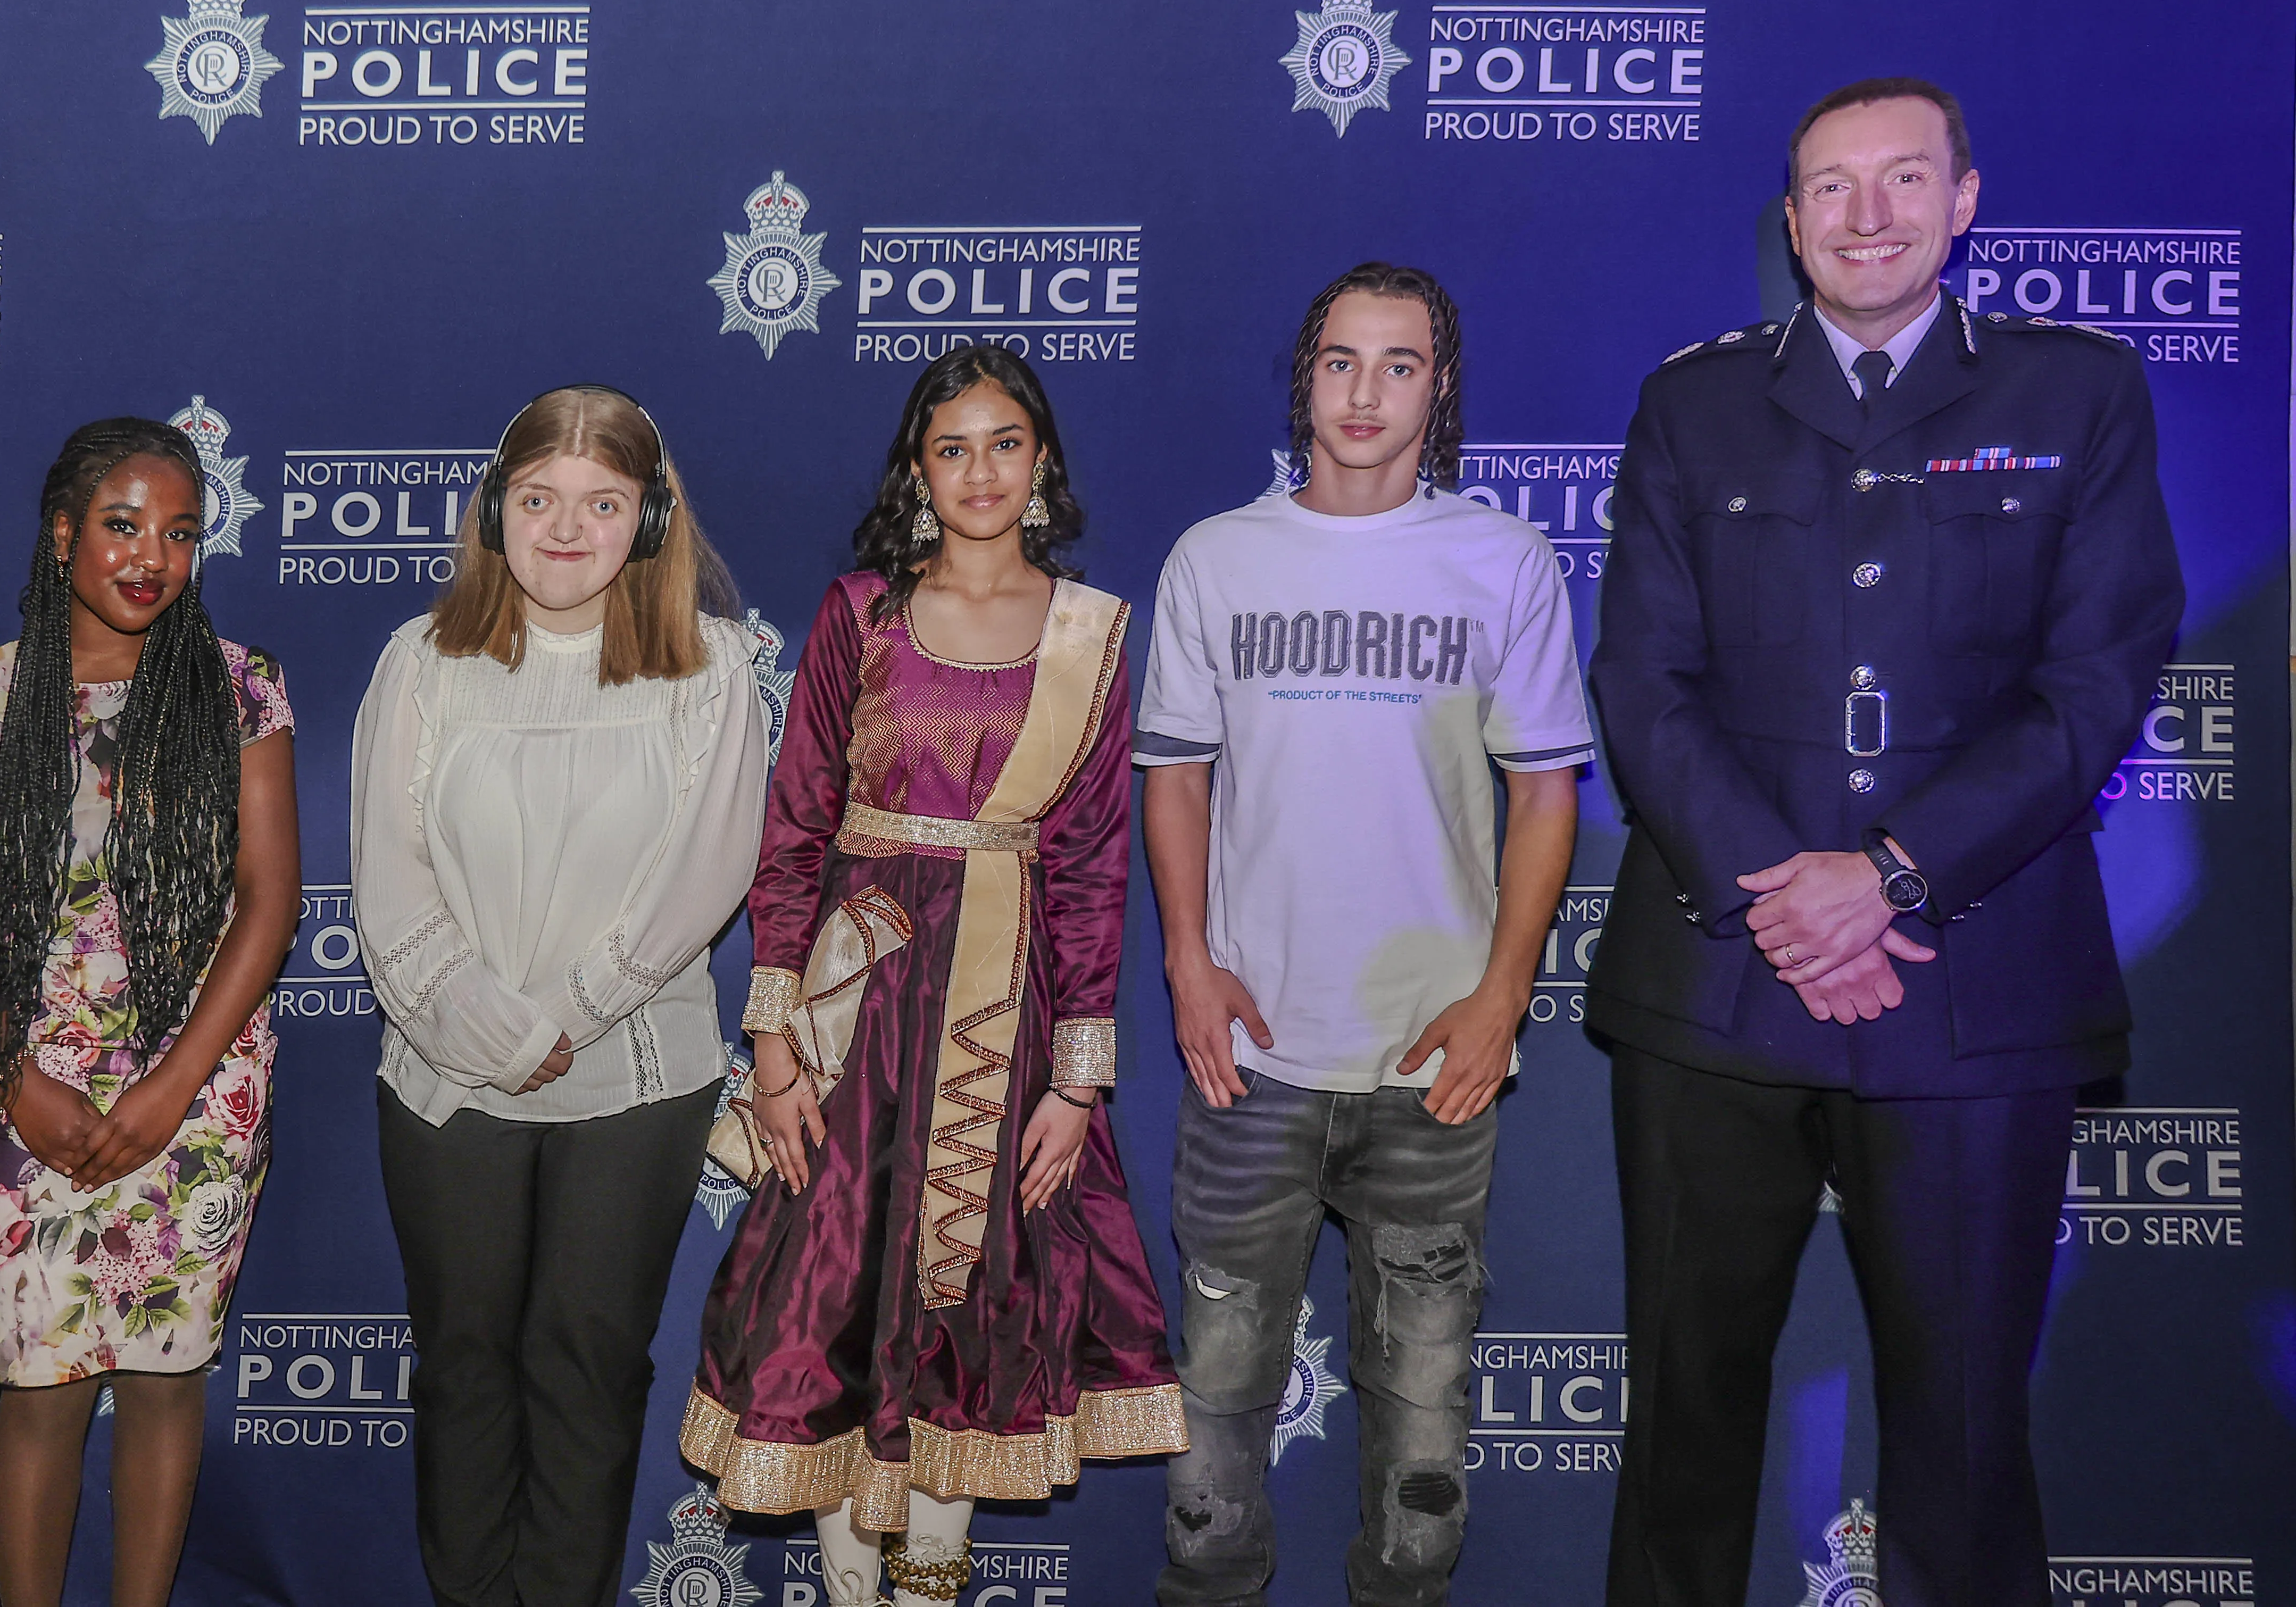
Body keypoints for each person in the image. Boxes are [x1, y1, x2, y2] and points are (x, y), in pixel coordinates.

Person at [1585, 80, 2181, 1607]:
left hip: (1976, 985)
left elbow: (2099, 675)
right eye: (1830, 189)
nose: (1865, 216)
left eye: (1901, 180)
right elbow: (1643, 683)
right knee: (1686, 1424)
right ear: (1789, 220)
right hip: (1721, 984)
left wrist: (1894, 877)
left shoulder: (2080, 394)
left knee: (1967, 1434)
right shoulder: (1692, 402)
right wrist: (1790, 901)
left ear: (1964, 200)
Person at [687, 344, 1183, 1607]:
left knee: (974, 1309)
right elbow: (795, 833)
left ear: (1043, 462)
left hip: (996, 1026)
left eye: (1003, 442)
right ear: (919, 467)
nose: (979, 470)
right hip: (855, 1024)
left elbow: (1087, 868)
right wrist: (777, 1040)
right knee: (833, 1303)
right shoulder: (859, 612)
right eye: (951, 446)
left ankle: (931, 1588)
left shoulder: (1088, 636)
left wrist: (1075, 1083)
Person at [1134, 264, 1593, 1606]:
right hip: (1253, 1056)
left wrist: (1503, 996)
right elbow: (1174, 773)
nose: (1365, 392)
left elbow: (1545, 791)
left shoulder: (1500, 559)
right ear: (1305, 375)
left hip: (1429, 1061)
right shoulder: (1217, 557)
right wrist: (1187, 961)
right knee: (1215, 1399)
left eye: (1399, 366)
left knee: (1425, 1412)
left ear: (1438, 387)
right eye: (1341, 361)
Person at [353, 385, 769, 1607]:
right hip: (446, 1076)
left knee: (586, 1365)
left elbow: (705, 872)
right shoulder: (421, 664)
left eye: (602, 503)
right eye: (538, 500)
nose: (567, 529)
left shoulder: (711, 669)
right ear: (497, 512)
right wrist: (487, 1026)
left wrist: (565, 1020)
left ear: (649, 523)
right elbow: (387, 878)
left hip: (634, 1079)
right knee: (465, 1363)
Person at [0, 417, 300, 1607]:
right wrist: (18, 1081)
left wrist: (174, 1085)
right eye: (124, 525)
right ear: (65, 531)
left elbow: (269, 902)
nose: (152, 556)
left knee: (171, 1382)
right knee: (44, 1388)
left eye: (180, 532)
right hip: (27, 1084)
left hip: (200, 1086)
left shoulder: (241, 686)